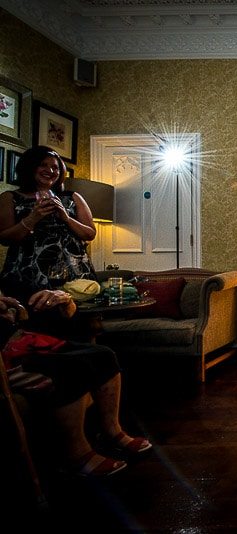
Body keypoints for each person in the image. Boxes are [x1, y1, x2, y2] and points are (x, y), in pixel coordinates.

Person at [0, 291, 152, 477]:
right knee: (70, 369)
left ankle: (112, 432)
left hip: (21, 339)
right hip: (5, 356)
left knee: (103, 355)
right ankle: (77, 456)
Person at [0, 146, 97, 299]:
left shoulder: (73, 197)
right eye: (43, 165)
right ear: (30, 166)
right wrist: (32, 218)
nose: (50, 171)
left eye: (55, 167)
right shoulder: (9, 198)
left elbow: (90, 233)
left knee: (82, 319)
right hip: (27, 274)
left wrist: (66, 218)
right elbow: (4, 238)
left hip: (74, 274)